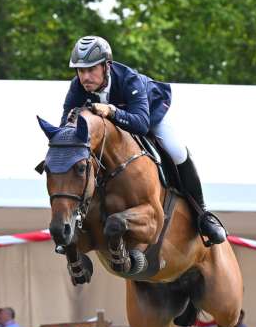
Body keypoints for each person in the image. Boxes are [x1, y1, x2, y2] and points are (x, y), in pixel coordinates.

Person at [61, 35, 227, 245]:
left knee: (176, 150)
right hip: (114, 131)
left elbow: (140, 124)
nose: (85, 77)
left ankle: (203, 215)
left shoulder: (129, 79)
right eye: (80, 70)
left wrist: (112, 111)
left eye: (91, 69)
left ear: (106, 66)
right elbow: (66, 129)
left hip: (149, 115)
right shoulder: (77, 87)